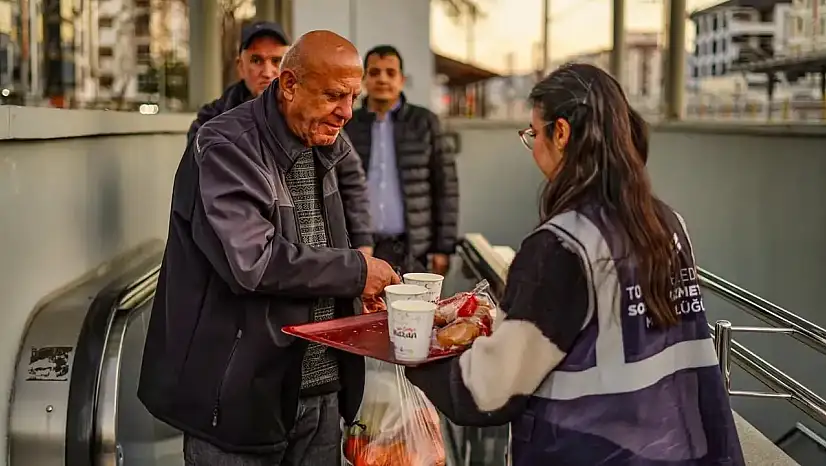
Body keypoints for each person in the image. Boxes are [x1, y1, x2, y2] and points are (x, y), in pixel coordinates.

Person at [406, 63, 745, 465]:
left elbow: (487, 391)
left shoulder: (561, 246)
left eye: (533, 133)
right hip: (677, 449)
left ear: (561, 132)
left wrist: (411, 346)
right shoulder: (668, 224)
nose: (532, 146)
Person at [138, 30, 400, 465]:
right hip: (240, 395)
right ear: (290, 84)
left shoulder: (324, 135)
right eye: (335, 95)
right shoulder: (226, 145)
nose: (347, 113)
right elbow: (254, 262)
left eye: (354, 97)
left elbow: (326, 237)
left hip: (320, 386)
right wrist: (356, 271)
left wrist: (358, 288)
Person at [187, 21, 375, 256]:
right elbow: (251, 256)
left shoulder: (319, 120)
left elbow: (352, 183)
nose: (267, 71)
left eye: (276, 60)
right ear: (240, 66)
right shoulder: (218, 132)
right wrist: (350, 271)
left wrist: (361, 250)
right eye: (257, 60)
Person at [344, 45, 458, 274]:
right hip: (361, 249)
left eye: (390, 72)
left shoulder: (425, 123)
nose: (383, 79)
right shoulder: (348, 125)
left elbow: (445, 187)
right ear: (363, 80)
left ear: (402, 79)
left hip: (412, 250)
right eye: (374, 73)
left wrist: (443, 248)